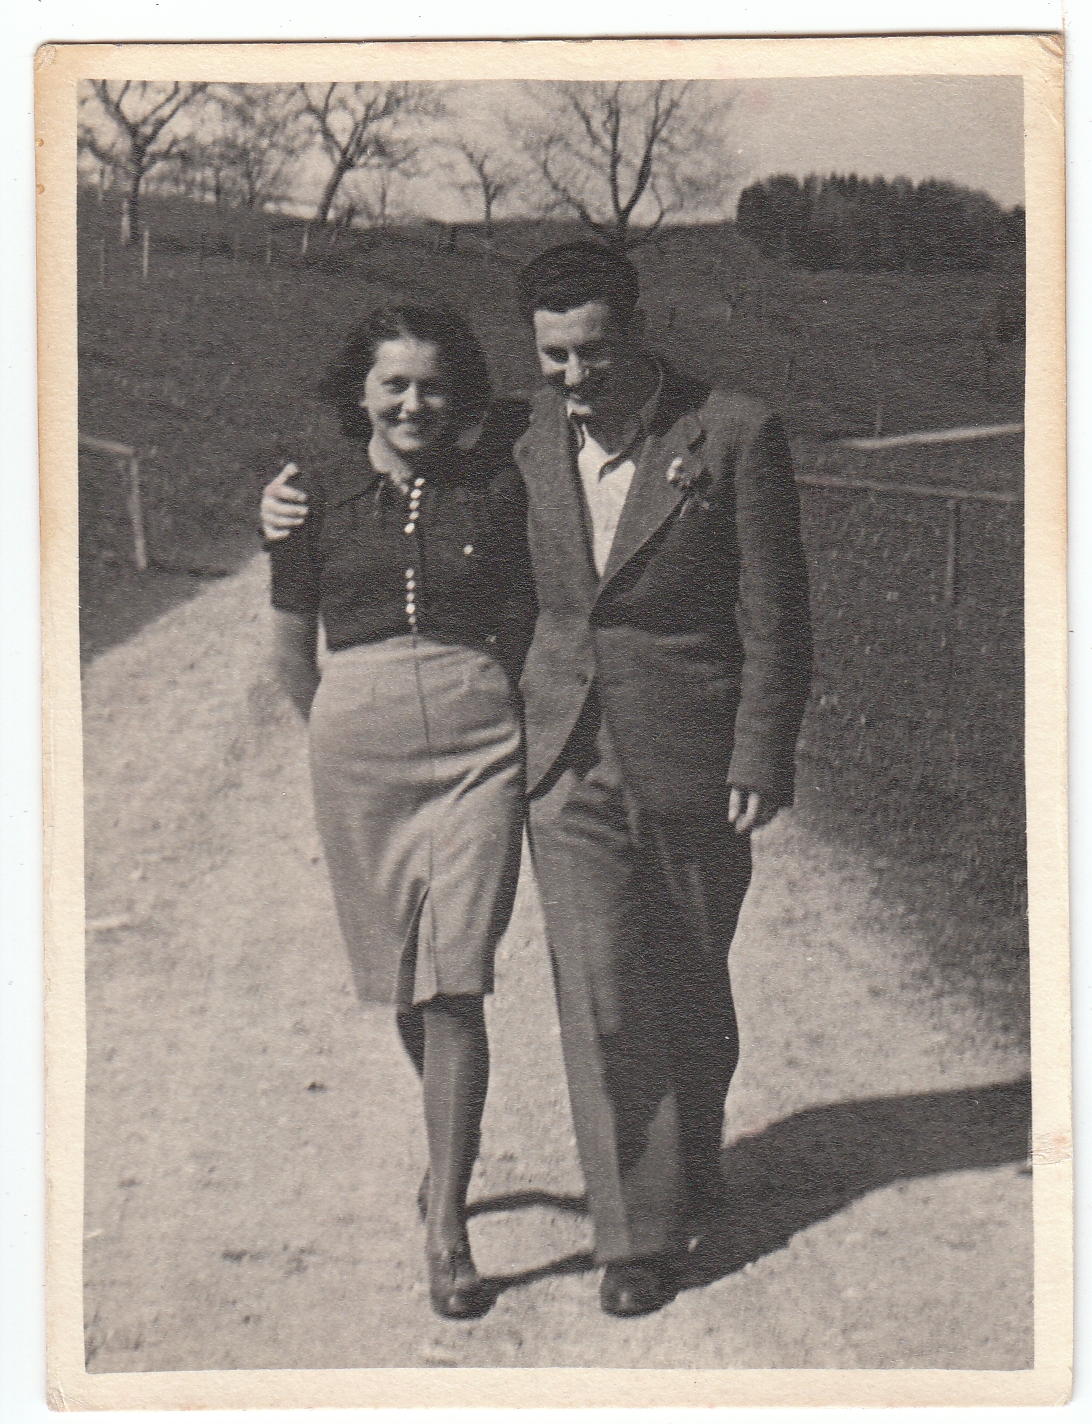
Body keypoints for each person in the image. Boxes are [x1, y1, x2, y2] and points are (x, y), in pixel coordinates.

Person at [263, 244, 812, 1319]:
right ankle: (634, 1235)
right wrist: (284, 499)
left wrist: (761, 749)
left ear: (638, 328)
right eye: (553, 354)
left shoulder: (735, 431)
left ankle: (692, 1160)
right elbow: (382, 440)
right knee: (601, 989)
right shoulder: (516, 434)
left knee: (692, 982)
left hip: (692, 742)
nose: (573, 375)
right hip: (559, 745)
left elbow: (777, 612)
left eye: (593, 350)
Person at [266, 303, 534, 1320]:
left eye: (432, 384)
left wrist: (493, 701)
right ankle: (446, 1146)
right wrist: (332, 731)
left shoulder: (497, 485)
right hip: (359, 748)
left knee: (456, 978)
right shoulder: (310, 500)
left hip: (478, 745)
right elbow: (290, 648)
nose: (414, 402)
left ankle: (448, 1220)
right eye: (394, 385)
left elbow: (525, 610)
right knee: (405, 985)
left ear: (456, 395)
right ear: (361, 394)